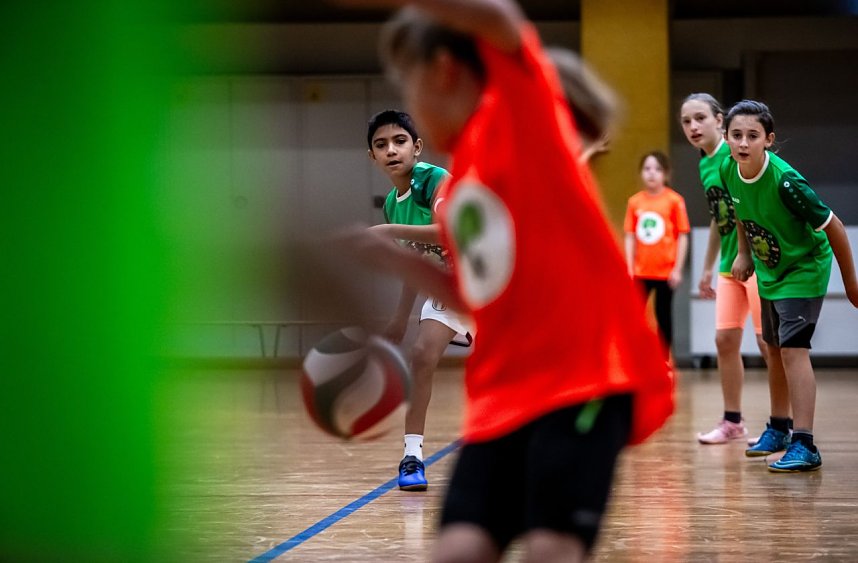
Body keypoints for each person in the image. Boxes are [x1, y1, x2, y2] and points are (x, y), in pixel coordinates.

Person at [335, 0, 674, 560]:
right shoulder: (464, 181)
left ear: (443, 71)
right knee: (458, 547)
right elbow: (475, 296)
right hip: (503, 397)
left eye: (409, 87)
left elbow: (501, 17)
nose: (408, 119)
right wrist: (390, 258)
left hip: (582, 378)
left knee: (549, 547)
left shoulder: (517, 117)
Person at [723, 99, 858, 471]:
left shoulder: (786, 182)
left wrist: (851, 284)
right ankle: (779, 428)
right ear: (727, 138)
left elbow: (835, 227)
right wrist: (744, 253)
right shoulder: (729, 168)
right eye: (736, 135)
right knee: (773, 348)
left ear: (769, 139)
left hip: (803, 268)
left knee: (793, 351)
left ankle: (805, 443)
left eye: (753, 136)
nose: (743, 143)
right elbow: (740, 209)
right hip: (771, 269)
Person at [366, 109, 472, 491]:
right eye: (381, 145)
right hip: (448, 290)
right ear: (372, 157)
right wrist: (400, 317)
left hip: (489, 286)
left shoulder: (433, 179)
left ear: (417, 147)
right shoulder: (392, 204)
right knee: (422, 355)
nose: (391, 150)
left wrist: (387, 231)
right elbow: (414, 262)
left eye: (400, 141)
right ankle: (412, 457)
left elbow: (447, 232)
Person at [679, 93, 772, 445]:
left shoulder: (734, 155)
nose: (693, 126)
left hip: (757, 261)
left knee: (768, 344)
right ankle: (733, 421)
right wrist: (706, 267)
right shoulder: (705, 164)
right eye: (686, 121)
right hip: (728, 264)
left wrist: (750, 254)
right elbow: (720, 217)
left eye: (700, 118)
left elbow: (753, 206)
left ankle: (786, 423)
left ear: (719, 120)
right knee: (724, 340)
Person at [623, 151, 690, 359]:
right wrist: (629, 267)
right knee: (634, 316)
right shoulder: (635, 202)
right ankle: (633, 359)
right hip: (640, 271)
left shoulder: (674, 201)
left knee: (664, 316)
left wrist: (677, 269)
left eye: (657, 169)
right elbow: (630, 235)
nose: (652, 173)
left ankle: (664, 360)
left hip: (665, 272)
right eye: (647, 169)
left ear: (666, 173)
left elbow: (683, 235)